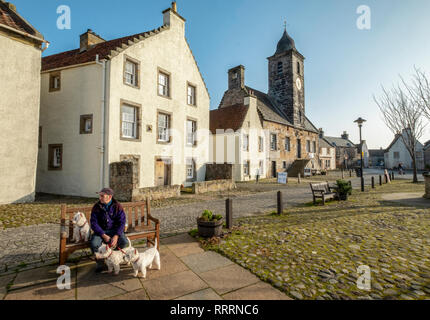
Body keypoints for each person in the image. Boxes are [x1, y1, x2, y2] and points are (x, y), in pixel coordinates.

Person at [90, 188, 129, 273]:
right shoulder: (96, 207)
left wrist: (116, 235)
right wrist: (103, 234)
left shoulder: (118, 206)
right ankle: (100, 263)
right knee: (94, 243)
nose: (100, 198)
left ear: (109, 197)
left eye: (102, 196)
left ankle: (113, 259)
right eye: (99, 196)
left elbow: (122, 222)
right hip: (101, 231)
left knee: (124, 242)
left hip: (114, 230)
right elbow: (93, 223)